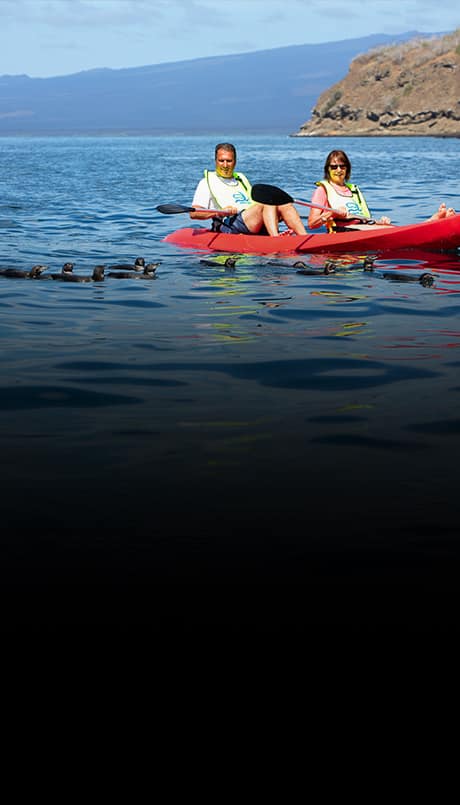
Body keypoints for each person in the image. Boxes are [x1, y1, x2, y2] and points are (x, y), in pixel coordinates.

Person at [308, 149, 455, 231]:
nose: (338, 170)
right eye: (334, 167)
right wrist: (330, 213)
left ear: (347, 169)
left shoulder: (353, 190)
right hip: (342, 232)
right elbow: (312, 223)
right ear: (328, 169)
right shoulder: (322, 190)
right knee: (390, 231)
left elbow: (362, 217)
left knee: (388, 226)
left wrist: (379, 221)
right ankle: (429, 225)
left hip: (364, 226)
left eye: (342, 166)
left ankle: (429, 224)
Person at [190, 142, 307, 237]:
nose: (225, 165)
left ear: (234, 162)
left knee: (285, 204)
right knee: (266, 203)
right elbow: (194, 213)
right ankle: (275, 239)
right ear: (216, 161)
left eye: (229, 161)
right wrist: (218, 212)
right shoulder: (206, 182)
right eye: (221, 160)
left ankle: (304, 238)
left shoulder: (241, 179)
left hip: (250, 220)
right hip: (230, 223)